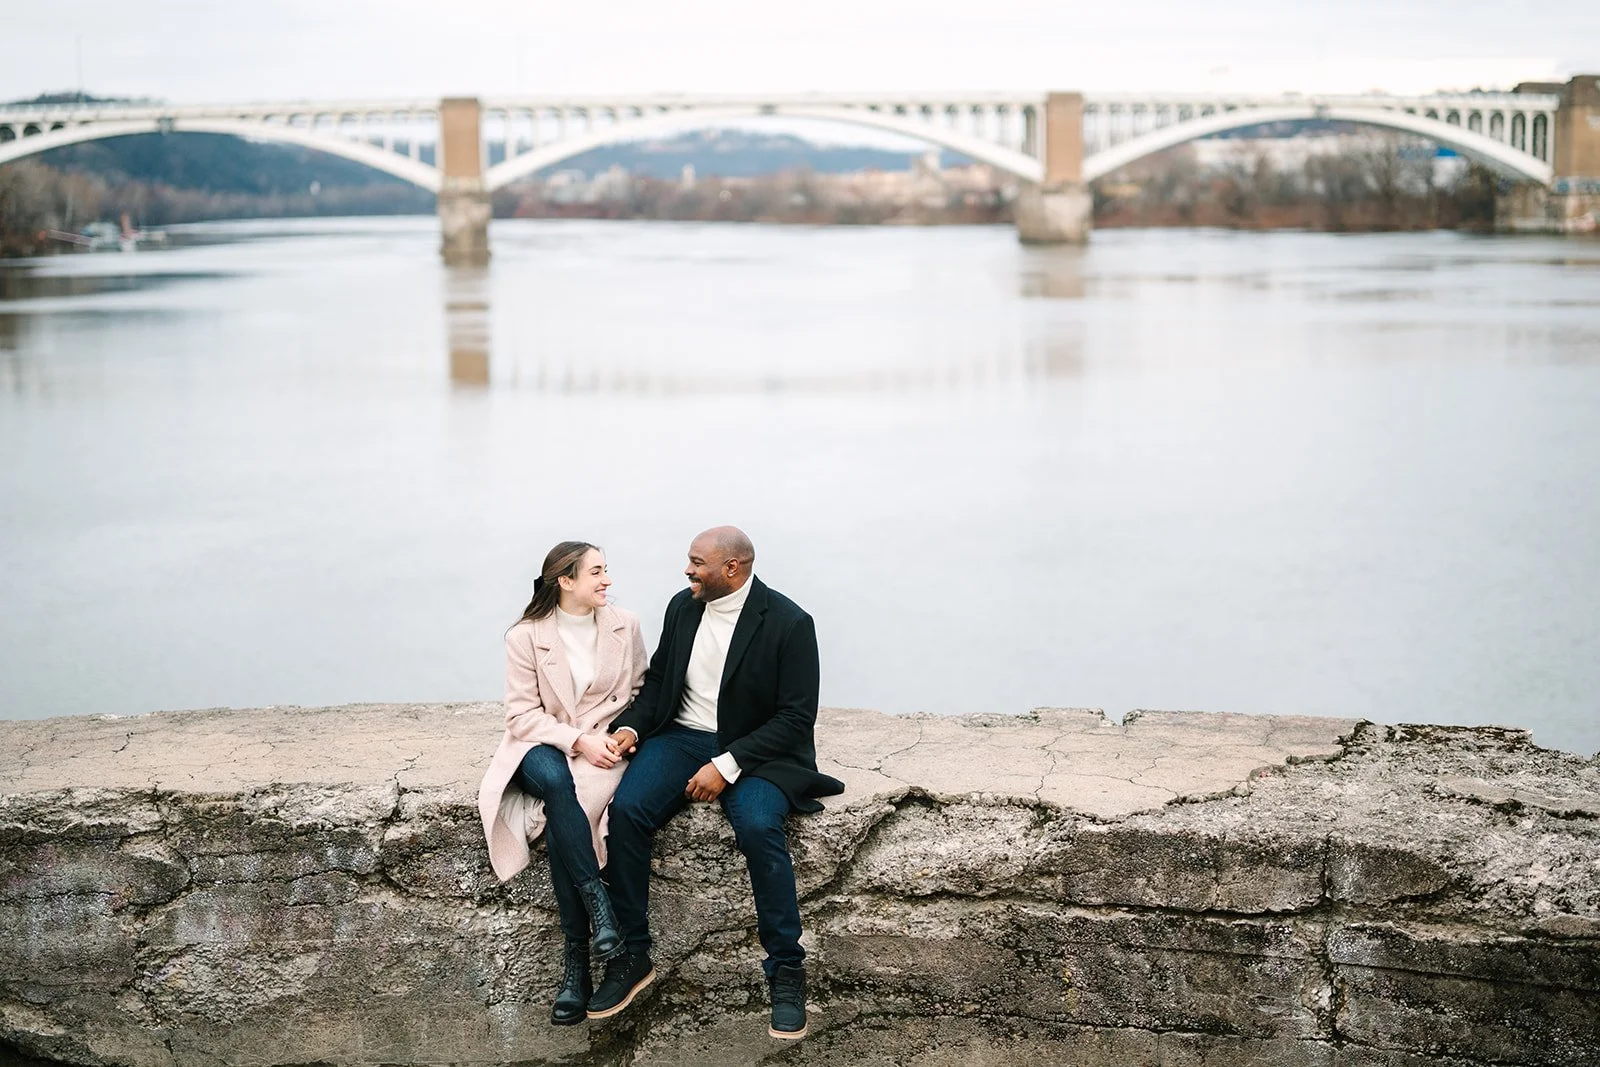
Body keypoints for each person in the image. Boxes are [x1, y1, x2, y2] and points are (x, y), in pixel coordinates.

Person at [586, 526, 844, 1040]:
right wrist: (631, 728)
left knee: (758, 828)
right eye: (689, 560)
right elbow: (660, 681)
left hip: (757, 753)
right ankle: (633, 954)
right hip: (681, 738)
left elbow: (796, 718)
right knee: (628, 812)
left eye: (697, 562)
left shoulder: (790, 623)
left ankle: (787, 970)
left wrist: (726, 766)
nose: (687, 570)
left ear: (734, 568)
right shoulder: (684, 607)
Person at [477, 541, 648, 1026]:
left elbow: (639, 691)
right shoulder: (526, 636)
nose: (607, 581)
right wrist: (576, 739)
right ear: (565, 580)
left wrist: (617, 736)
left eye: (606, 571)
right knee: (553, 777)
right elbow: (520, 715)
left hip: (605, 749)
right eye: (596, 572)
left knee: (562, 812)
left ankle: (576, 963)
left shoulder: (625, 624)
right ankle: (600, 906)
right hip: (539, 744)